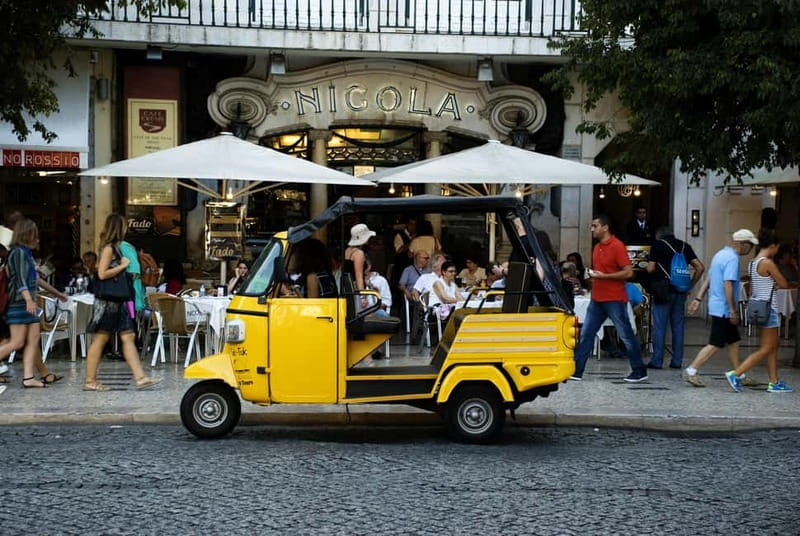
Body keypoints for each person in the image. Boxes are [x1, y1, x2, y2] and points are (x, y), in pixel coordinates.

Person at [83, 214, 160, 391]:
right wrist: (122, 266)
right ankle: (90, 380)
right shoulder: (109, 249)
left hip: (120, 301)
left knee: (128, 336)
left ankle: (140, 377)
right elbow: (102, 274)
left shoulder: (117, 249)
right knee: (101, 339)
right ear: (119, 228)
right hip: (109, 303)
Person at [571, 214, 648, 383]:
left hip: (614, 298)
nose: (592, 229)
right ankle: (577, 371)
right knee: (586, 334)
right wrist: (594, 277)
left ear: (605, 228)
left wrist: (604, 276)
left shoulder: (617, 246)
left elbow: (628, 272)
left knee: (626, 335)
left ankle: (639, 370)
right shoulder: (597, 247)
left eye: (595, 226)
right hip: (598, 298)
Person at [683, 229, 759, 387]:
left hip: (717, 305)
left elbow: (709, 277)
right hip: (723, 309)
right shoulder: (732, 259)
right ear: (743, 244)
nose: (751, 249)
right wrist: (732, 310)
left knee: (734, 340)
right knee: (716, 343)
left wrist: (698, 298)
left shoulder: (720, 254)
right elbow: (728, 284)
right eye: (751, 245)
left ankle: (739, 373)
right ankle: (691, 370)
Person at [725, 230, 797, 393]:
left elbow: (756, 286)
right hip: (769, 309)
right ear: (772, 246)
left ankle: (774, 381)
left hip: (759, 308)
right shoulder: (767, 263)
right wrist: (776, 283)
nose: (777, 251)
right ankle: (736, 374)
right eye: (777, 248)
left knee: (773, 346)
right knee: (767, 348)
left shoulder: (753, 262)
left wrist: (772, 284)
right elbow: (784, 283)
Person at [0, 219, 64, 388]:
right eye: (35, 235)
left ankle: (29, 378)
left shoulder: (24, 253)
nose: (37, 239)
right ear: (27, 235)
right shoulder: (19, 253)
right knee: (17, 342)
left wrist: (56, 293)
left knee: (33, 340)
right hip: (20, 303)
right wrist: (29, 299)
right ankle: (30, 377)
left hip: (27, 302)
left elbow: (34, 278)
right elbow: (21, 279)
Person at [645, 226, 705, 369]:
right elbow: (700, 267)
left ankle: (657, 361)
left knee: (660, 326)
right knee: (678, 326)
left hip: (663, 291)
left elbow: (650, 268)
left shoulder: (657, 245)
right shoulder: (685, 246)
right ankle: (677, 361)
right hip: (680, 291)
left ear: (658, 236)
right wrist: (691, 284)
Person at [343, 223, 375, 290]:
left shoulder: (347, 250)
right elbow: (359, 276)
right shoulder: (358, 253)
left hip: (348, 288)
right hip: (356, 289)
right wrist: (362, 294)